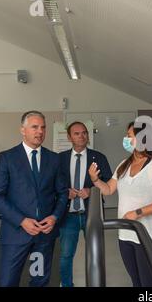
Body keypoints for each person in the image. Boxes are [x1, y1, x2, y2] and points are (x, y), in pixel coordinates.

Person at [88, 121, 152, 287]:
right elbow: (108, 189)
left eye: (129, 136)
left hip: (148, 235)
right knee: (136, 281)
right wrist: (95, 180)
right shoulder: (124, 164)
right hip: (126, 234)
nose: (126, 139)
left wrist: (138, 212)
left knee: (148, 282)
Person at [0, 111, 68, 287]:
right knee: (8, 282)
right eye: (34, 127)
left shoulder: (54, 159)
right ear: (22, 130)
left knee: (39, 281)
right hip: (16, 235)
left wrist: (54, 217)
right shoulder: (7, 158)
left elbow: (63, 193)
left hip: (43, 237)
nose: (40, 131)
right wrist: (21, 220)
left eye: (43, 127)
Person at [58, 121, 112, 287]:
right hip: (68, 215)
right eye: (77, 133)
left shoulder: (99, 157)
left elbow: (109, 183)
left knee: (95, 254)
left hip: (92, 214)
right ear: (69, 137)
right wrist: (65, 192)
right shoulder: (60, 159)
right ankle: (67, 285)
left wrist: (91, 191)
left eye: (84, 133)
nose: (82, 136)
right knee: (66, 255)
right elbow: (53, 185)